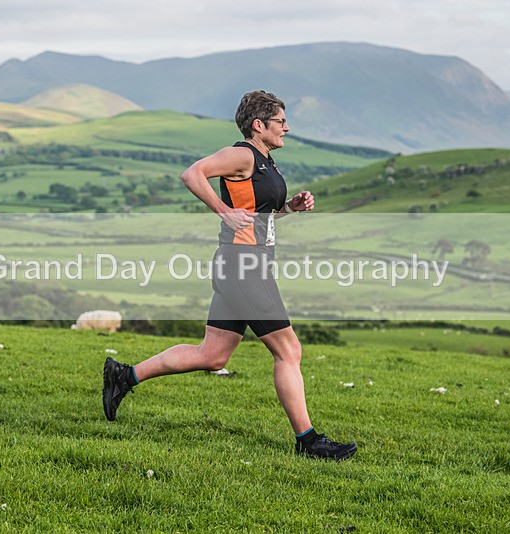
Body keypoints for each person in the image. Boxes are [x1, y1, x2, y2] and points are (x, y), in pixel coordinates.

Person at [103, 90, 357, 461]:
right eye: (280, 122)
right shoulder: (242, 154)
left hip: (242, 264)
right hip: (242, 266)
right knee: (289, 350)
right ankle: (309, 441)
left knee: (213, 354)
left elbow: (255, 216)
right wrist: (221, 210)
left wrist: (289, 208)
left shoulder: (266, 162)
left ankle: (124, 376)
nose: (287, 127)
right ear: (259, 125)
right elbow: (192, 174)